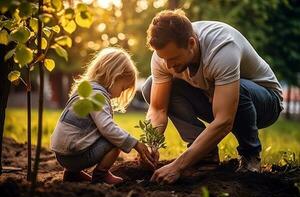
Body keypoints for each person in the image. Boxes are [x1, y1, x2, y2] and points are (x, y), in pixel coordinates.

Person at [141, 9, 283, 184]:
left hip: (265, 102)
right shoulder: (163, 57)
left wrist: (178, 166)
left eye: (174, 58)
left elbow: (224, 121)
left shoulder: (222, 47)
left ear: (191, 43)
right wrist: (151, 145)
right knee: (150, 86)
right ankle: (205, 155)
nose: (168, 65)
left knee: (238, 89)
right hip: (214, 97)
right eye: (164, 59)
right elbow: (158, 108)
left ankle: (250, 156)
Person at [50, 47, 155, 184]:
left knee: (101, 134)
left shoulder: (86, 89)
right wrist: (135, 143)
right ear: (114, 77)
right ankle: (101, 175)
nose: (119, 94)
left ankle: (72, 174)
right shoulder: (97, 95)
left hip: (61, 154)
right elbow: (107, 127)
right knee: (115, 141)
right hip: (74, 156)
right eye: (122, 88)